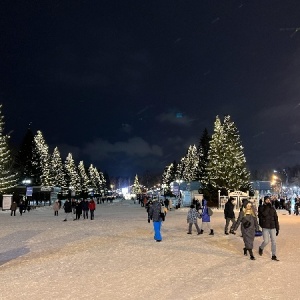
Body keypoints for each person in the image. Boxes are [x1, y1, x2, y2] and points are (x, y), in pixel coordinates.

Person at [258, 195, 280, 261]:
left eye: (269, 200)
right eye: (267, 200)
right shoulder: (261, 207)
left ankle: (273, 255)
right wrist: (267, 207)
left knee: (274, 241)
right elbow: (264, 214)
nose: (268, 201)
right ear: (264, 200)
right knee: (266, 241)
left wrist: (277, 228)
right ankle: (261, 248)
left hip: (272, 227)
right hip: (265, 227)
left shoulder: (272, 208)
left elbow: (276, 218)